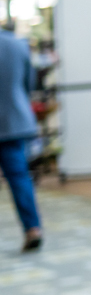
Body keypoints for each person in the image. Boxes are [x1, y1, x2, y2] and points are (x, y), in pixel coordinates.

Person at [0, 23, 41, 252]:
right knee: (19, 177)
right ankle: (32, 228)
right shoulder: (18, 45)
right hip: (15, 121)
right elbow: (29, 84)